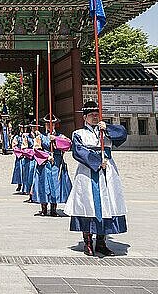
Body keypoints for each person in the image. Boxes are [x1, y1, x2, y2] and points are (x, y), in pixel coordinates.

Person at [64, 101, 128, 257]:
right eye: (91, 115)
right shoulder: (79, 133)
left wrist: (107, 128)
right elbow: (78, 151)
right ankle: (87, 242)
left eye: (96, 115)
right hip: (88, 172)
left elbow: (122, 135)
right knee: (88, 205)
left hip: (108, 172)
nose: (94, 117)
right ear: (85, 117)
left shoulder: (106, 131)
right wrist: (97, 161)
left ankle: (101, 242)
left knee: (108, 204)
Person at [33, 114, 72, 216]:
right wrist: (46, 156)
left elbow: (68, 144)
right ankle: (44, 208)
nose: (50, 126)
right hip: (44, 163)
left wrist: (55, 139)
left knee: (55, 184)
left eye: (52, 124)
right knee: (43, 184)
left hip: (56, 163)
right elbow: (36, 150)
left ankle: (54, 208)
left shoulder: (60, 136)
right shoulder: (40, 137)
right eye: (47, 124)